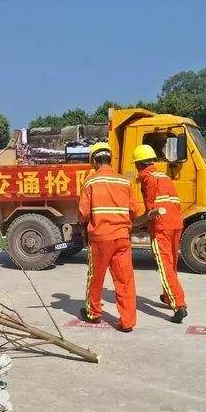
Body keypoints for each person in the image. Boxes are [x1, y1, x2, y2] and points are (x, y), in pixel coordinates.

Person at [78, 142, 138, 332]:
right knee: (125, 280)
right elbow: (135, 210)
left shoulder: (91, 182)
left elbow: (84, 213)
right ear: (110, 159)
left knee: (96, 277)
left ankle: (93, 313)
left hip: (100, 238)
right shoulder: (124, 182)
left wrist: (83, 228)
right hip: (122, 237)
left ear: (94, 161)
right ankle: (127, 322)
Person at [133, 144, 187, 323]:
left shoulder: (147, 178)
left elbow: (151, 210)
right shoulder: (162, 175)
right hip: (176, 223)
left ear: (139, 164)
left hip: (161, 226)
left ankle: (179, 305)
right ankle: (168, 295)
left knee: (164, 265)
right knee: (171, 264)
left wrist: (134, 224)